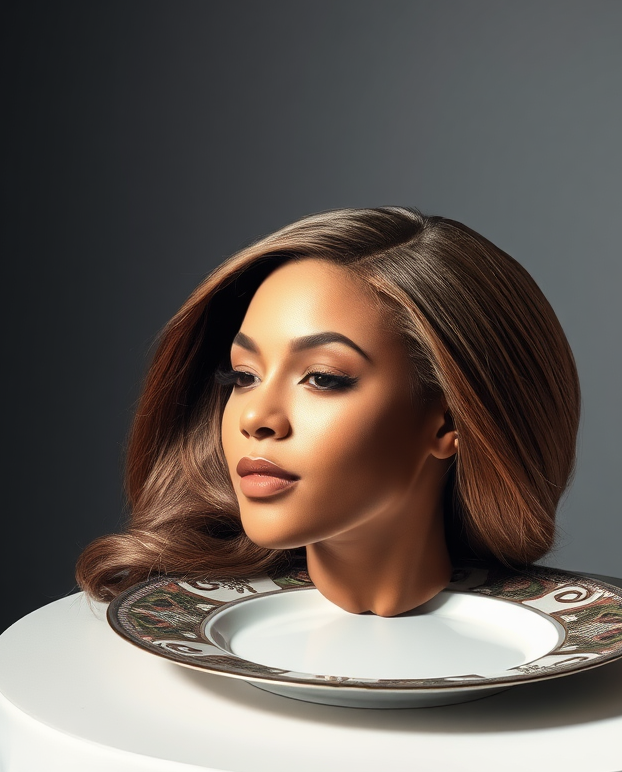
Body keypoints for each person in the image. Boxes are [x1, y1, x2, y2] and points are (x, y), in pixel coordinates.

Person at [77, 207, 580, 616]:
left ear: (448, 422)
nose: (256, 418)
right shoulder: (173, 627)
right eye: (243, 376)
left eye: (321, 378)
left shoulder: (542, 637)